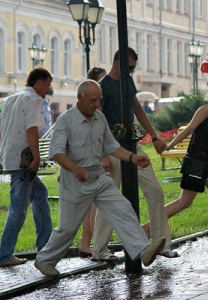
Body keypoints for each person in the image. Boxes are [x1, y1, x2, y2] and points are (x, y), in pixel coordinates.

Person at [34, 80, 166, 276]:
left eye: (99, 100)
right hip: (74, 182)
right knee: (68, 228)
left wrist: (132, 157)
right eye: (93, 100)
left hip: (98, 177)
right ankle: (45, 260)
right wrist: (75, 169)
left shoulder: (100, 118)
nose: (97, 104)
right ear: (79, 98)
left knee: (123, 208)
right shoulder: (65, 121)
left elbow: (111, 147)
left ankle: (142, 249)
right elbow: (56, 153)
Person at [91, 48, 177, 260]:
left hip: (132, 145)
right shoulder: (104, 87)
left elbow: (137, 109)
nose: (131, 72)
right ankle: (99, 250)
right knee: (109, 198)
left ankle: (162, 243)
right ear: (117, 62)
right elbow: (96, 122)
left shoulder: (128, 82)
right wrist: (102, 156)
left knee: (155, 190)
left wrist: (155, 137)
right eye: (129, 67)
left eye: (133, 68)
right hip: (112, 148)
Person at [142, 90, 208, 257]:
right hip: (195, 161)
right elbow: (188, 129)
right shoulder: (206, 108)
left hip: (206, 162)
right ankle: (146, 229)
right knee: (184, 202)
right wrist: (169, 146)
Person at [0, 67, 53, 268]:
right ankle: (4, 255)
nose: (48, 89)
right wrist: (35, 157)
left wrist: (11, 146)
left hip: (12, 159)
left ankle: (45, 247)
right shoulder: (35, 100)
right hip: (23, 162)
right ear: (39, 83)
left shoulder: (11, 99)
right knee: (18, 209)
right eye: (47, 84)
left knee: (40, 194)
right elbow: (32, 131)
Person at [78, 66, 108, 258]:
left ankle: (85, 243)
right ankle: (93, 243)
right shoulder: (94, 110)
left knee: (90, 201)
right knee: (96, 201)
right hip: (92, 157)